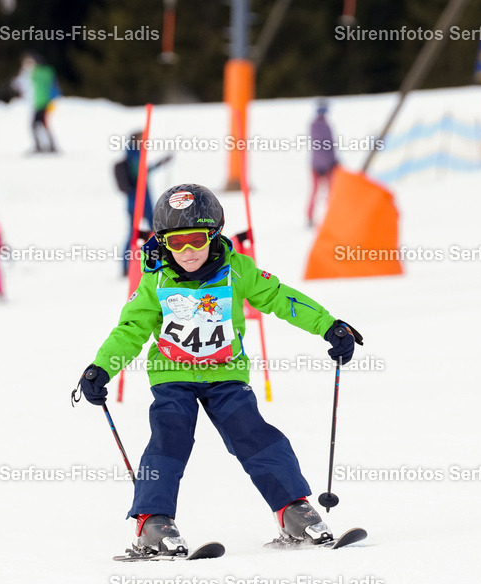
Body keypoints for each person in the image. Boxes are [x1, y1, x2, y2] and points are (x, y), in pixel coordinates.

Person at [72, 183, 362, 557]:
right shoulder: (156, 280)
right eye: (176, 243)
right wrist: (101, 368)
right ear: (163, 243)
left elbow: (279, 297)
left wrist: (327, 324)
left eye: (195, 239)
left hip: (226, 375)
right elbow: (131, 330)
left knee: (255, 435)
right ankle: (153, 522)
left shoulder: (236, 269)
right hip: (173, 376)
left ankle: (293, 508)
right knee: (169, 438)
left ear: (214, 234)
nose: (187, 251)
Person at [114, 131, 173, 276]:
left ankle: (128, 265)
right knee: (148, 231)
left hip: (135, 200)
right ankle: (134, 264)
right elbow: (139, 173)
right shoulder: (134, 154)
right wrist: (159, 164)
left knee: (135, 232)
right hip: (139, 201)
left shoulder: (133, 153)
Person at [14, 54, 59, 153]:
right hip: (43, 103)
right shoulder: (45, 72)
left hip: (43, 103)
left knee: (35, 125)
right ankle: (50, 146)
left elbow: (21, 81)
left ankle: (43, 146)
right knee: (41, 124)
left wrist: (26, 70)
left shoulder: (38, 73)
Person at [307, 100, 337, 226]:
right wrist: (324, 164)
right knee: (321, 191)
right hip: (321, 165)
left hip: (325, 164)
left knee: (328, 191)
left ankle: (330, 216)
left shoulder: (323, 124)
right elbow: (321, 147)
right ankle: (313, 216)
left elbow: (329, 147)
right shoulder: (319, 126)